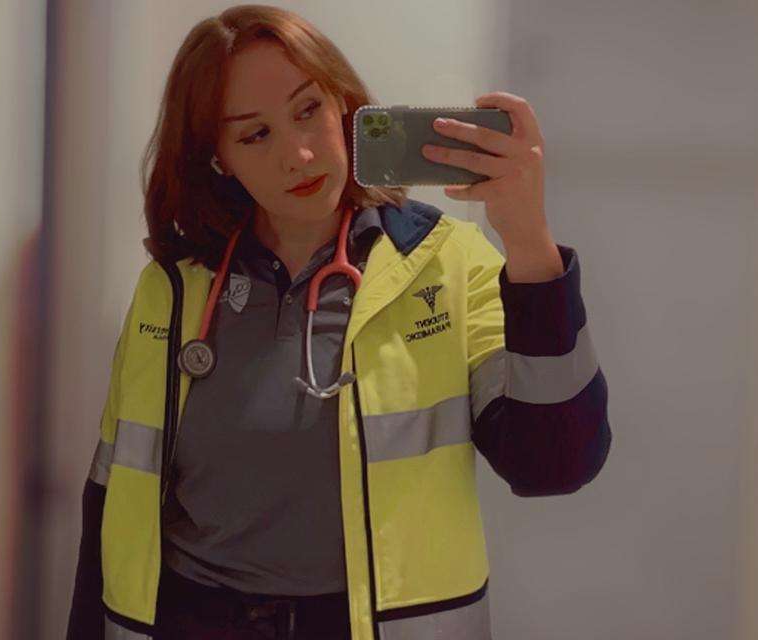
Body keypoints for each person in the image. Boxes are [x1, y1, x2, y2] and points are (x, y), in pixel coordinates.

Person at [66, 5, 612, 640]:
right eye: (254, 135)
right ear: (217, 159)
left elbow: (556, 463)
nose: (297, 154)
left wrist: (528, 239)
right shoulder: (172, 289)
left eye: (308, 111)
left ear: (345, 108)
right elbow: (110, 508)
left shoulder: (445, 265)